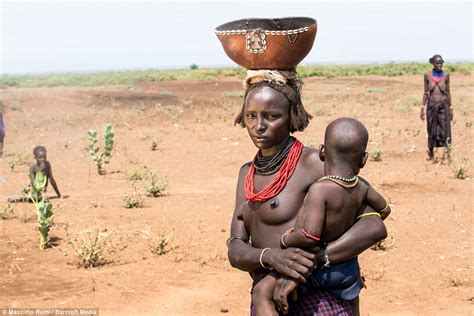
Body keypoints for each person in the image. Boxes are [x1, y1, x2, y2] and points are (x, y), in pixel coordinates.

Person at [227, 70, 388, 315]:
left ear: (291, 117)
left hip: (318, 298)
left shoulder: (316, 164)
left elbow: (373, 225)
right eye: (251, 116)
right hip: (268, 300)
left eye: (271, 116)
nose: (258, 126)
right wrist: (270, 257)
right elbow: (236, 248)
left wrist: (313, 262)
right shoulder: (246, 174)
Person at [251, 117, 391, 316]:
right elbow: (384, 210)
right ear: (364, 159)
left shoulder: (320, 189)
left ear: (322, 152)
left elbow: (310, 236)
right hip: (346, 268)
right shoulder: (362, 186)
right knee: (351, 301)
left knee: (262, 293)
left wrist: (286, 239)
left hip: (314, 268)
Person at [420, 54, 453, 161]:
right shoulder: (427, 75)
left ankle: (447, 154)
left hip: (444, 106)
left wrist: (451, 108)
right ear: (433, 63)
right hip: (431, 106)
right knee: (431, 129)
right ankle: (431, 154)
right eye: (437, 63)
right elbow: (426, 92)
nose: (440, 65)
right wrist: (422, 108)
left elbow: (448, 92)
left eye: (441, 63)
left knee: (445, 130)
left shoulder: (446, 75)